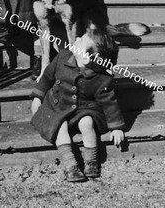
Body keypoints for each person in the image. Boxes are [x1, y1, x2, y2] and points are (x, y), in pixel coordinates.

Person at [31, 28, 125, 182]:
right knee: (59, 126)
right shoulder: (62, 57)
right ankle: (71, 165)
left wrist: (117, 128)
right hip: (57, 106)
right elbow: (47, 77)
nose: (78, 37)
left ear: (87, 58)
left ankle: (91, 161)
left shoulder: (101, 79)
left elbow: (109, 103)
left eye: (81, 40)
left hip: (84, 108)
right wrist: (37, 97)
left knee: (87, 122)